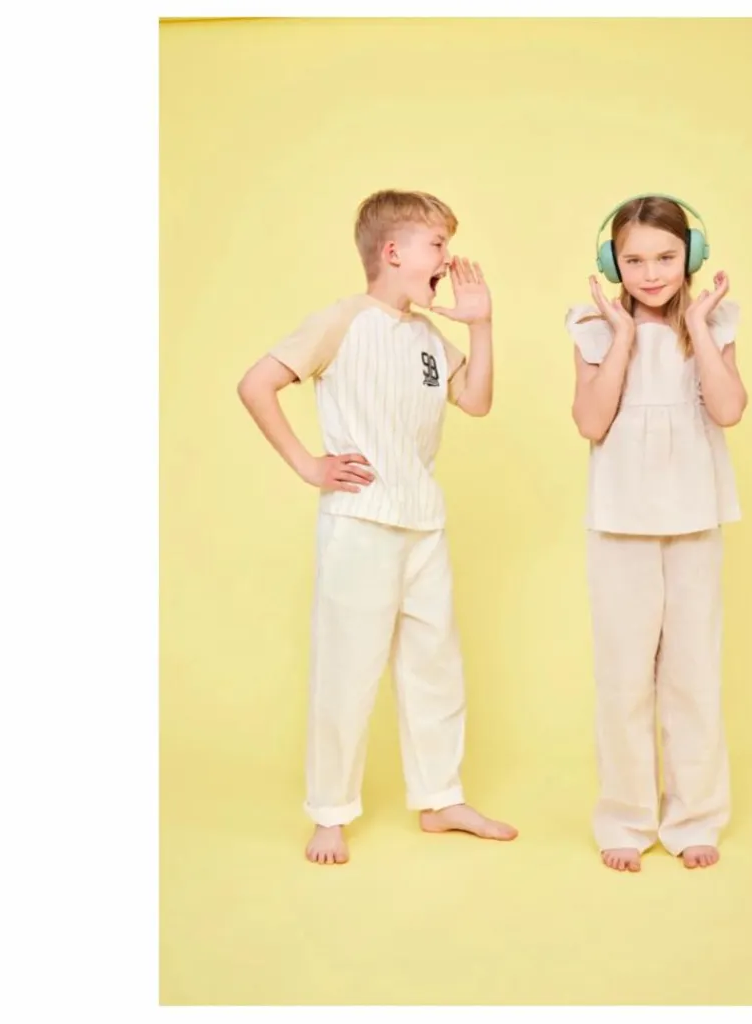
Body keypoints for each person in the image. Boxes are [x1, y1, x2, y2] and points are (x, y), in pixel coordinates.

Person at [237, 189, 517, 864]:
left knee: (434, 666)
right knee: (347, 670)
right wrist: (308, 464)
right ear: (393, 252)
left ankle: (440, 797)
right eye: (438, 245)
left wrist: (481, 326)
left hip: (423, 524)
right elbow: (255, 384)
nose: (448, 260)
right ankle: (330, 812)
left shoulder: (428, 339)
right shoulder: (342, 321)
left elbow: (477, 401)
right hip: (361, 524)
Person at [565, 194, 748, 872]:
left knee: (693, 674)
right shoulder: (593, 325)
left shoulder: (714, 321)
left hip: (694, 516)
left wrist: (697, 325)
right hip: (621, 520)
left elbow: (728, 409)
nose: (650, 274)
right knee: (623, 678)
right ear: (611, 261)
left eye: (666, 257)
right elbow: (591, 422)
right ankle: (625, 816)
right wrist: (622, 337)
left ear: (691, 256)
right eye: (634, 259)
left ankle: (696, 816)